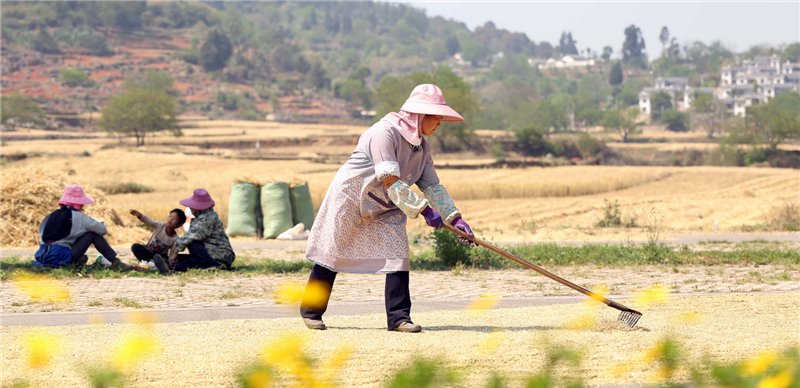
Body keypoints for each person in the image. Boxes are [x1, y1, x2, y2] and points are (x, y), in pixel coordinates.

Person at [299, 84, 475, 333]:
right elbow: (390, 179)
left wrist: (454, 218)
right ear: (421, 116)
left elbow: (433, 186)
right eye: (437, 118)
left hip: (388, 204)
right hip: (351, 197)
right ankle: (311, 311)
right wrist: (424, 211)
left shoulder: (422, 148)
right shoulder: (384, 132)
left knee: (398, 254)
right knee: (333, 251)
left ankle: (399, 318)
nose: (439, 124)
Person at [35, 184, 130, 271]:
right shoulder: (80, 217)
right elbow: (102, 230)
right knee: (92, 234)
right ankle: (115, 262)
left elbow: (42, 233)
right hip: (60, 256)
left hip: (42, 255)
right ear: (79, 204)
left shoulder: (51, 215)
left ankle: (75, 261)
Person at [168, 188, 235, 272]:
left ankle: (213, 265)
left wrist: (174, 254)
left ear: (198, 207)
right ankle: (173, 264)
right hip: (208, 254)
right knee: (181, 259)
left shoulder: (207, 219)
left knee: (192, 243)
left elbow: (189, 237)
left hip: (219, 256)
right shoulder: (202, 217)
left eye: (192, 206)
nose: (190, 207)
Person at [129, 208, 186, 274]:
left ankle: (154, 265)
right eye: (170, 216)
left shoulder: (175, 239)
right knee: (135, 247)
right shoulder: (160, 226)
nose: (170, 220)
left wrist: (171, 265)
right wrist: (139, 215)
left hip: (159, 257)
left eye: (174, 219)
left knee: (160, 258)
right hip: (148, 252)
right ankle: (152, 264)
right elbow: (149, 221)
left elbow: (171, 256)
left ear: (178, 225)